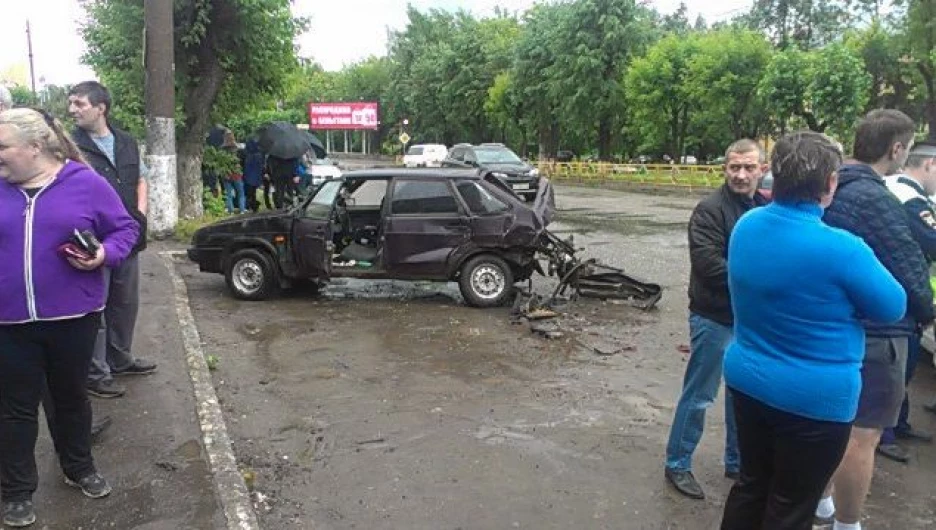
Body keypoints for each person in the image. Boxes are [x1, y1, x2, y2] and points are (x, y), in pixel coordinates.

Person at [719, 131, 906, 530]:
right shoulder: (843, 248)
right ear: (831, 183)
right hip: (814, 400)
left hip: (749, 381)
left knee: (751, 486)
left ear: (775, 177)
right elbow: (893, 306)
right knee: (791, 504)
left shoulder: (747, 225)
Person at [0, 108, 139, 527]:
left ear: (35, 147)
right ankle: (17, 492)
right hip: (8, 323)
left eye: (3, 147)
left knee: (70, 400)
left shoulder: (85, 183)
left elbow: (125, 230)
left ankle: (78, 467)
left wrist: (102, 255)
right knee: (15, 408)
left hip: (73, 318)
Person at [818, 109, 933, 530]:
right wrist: (926, 313)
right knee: (862, 436)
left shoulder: (829, 188)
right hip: (880, 334)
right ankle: (847, 523)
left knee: (834, 425)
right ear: (897, 148)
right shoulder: (875, 198)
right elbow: (911, 270)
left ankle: (823, 504)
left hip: (837, 326)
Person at [664, 139, 768, 500]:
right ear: (724, 169)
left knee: (744, 394)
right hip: (713, 318)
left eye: (748, 167)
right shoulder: (709, 210)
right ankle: (677, 462)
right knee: (700, 395)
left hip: (749, 321)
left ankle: (737, 462)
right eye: (734, 167)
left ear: (762, 170)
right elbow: (709, 266)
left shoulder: (764, 208)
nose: (740, 175)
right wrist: (761, 285)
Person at [67, 81, 157, 400]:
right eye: (71, 104)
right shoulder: (69, 146)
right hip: (93, 241)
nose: (72, 110)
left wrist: (139, 215)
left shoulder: (127, 142)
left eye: (79, 103)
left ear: (100, 108)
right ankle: (96, 373)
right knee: (96, 306)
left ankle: (120, 359)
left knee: (125, 303)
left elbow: (141, 178)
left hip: (128, 238)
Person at [877, 141, 936, 463]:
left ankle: (897, 424)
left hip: (898, 295)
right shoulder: (908, 196)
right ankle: (885, 433)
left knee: (902, 367)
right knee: (896, 369)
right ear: (928, 165)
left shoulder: (895, 188)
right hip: (902, 299)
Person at [220, 131, 246, 214]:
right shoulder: (237, 148)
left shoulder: (221, 149)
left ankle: (230, 210)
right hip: (236, 174)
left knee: (229, 194)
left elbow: (220, 163)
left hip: (226, 174)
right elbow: (242, 160)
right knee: (241, 193)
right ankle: (242, 210)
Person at [242, 139, 265, 212]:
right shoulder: (259, 155)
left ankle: (250, 206)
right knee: (253, 193)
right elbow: (261, 167)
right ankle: (254, 206)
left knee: (249, 193)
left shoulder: (246, 155)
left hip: (248, 177)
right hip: (256, 177)